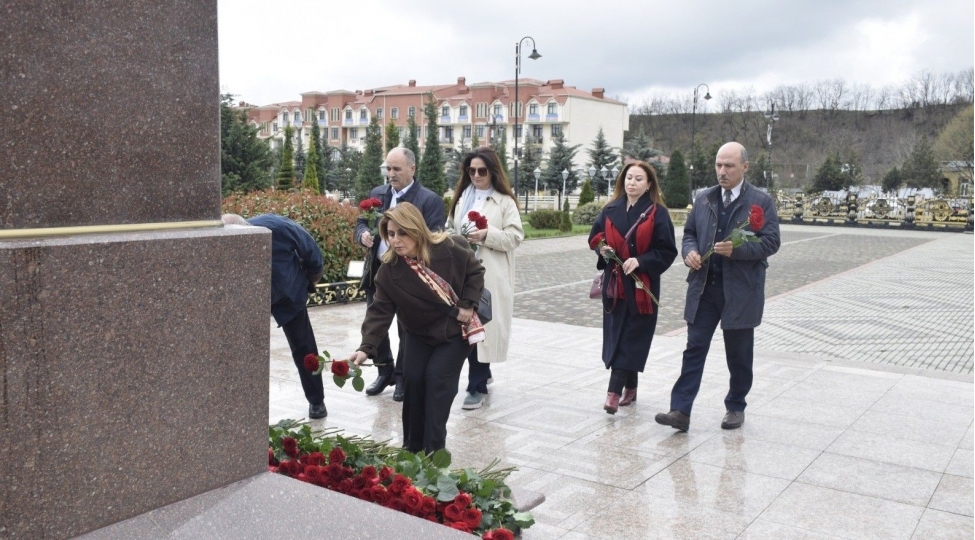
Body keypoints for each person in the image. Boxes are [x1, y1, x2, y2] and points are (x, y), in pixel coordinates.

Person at [655, 142, 781, 432]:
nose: (722, 171)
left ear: (745, 167)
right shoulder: (704, 198)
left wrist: (737, 250)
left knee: (739, 354)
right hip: (704, 288)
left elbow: (771, 242)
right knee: (694, 348)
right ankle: (680, 410)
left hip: (741, 292)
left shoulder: (761, 202)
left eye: (729, 166)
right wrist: (689, 251)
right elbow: (690, 232)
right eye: (718, 165)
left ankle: (736, 406)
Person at [348, 203, 485, 454]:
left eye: (403, 233)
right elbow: (379, 311)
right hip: (418, 333)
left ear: (417, 229)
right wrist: (366, 348)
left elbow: (475, 272)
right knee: (412, 381)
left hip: (454, 331)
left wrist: (468, 303)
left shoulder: (450, 247)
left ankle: (434, 453)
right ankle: (412, 451)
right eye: (391, 234)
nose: (396, 240)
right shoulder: (389, 271)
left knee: (436, 381)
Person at [355, 147, 446, 401]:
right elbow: (361, 222)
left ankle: (403, 377)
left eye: (396, 169)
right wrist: (362, 235)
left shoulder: (429, 200)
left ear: (412, 169)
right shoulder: (378, 194)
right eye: (388, 169)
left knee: (406, 329)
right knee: (376, 322)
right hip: (378, 272)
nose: (391, 174)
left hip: (410, 276)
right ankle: (384, 371)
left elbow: (434, 238)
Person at [588, 161, 677, 414]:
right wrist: (602, 250)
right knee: (619, 335)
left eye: (639, 179)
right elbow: (594, 238)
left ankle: (613, 394)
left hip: (641, 287)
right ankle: (632, 386)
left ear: (648, 184)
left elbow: (667, 250)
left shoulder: (658, 213)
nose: (632, 183)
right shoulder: (610, 209)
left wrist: (641, 260)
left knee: (632, 337)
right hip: (615, 286)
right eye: (629, 178)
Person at [221, 213, 327, 419]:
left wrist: (312, 277)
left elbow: (310, 250)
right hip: (247, 300)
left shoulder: (278, 227)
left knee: (303, 347)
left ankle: (317, 401)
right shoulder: (221, 243)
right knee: (243, 350)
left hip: (288, 292)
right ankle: (241, 405)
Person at [446, 147, 524, 410]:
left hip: (490, 274)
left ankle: (476, 386)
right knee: (464, 326)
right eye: (472, 171)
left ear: (493, 171)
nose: (476, 176)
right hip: (462, 274)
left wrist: (486, 235)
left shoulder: (504, 202)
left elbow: (515, 237)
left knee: (483, 329)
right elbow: (449, 227)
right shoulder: (462, 199)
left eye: (482, 171)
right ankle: (482, 374)